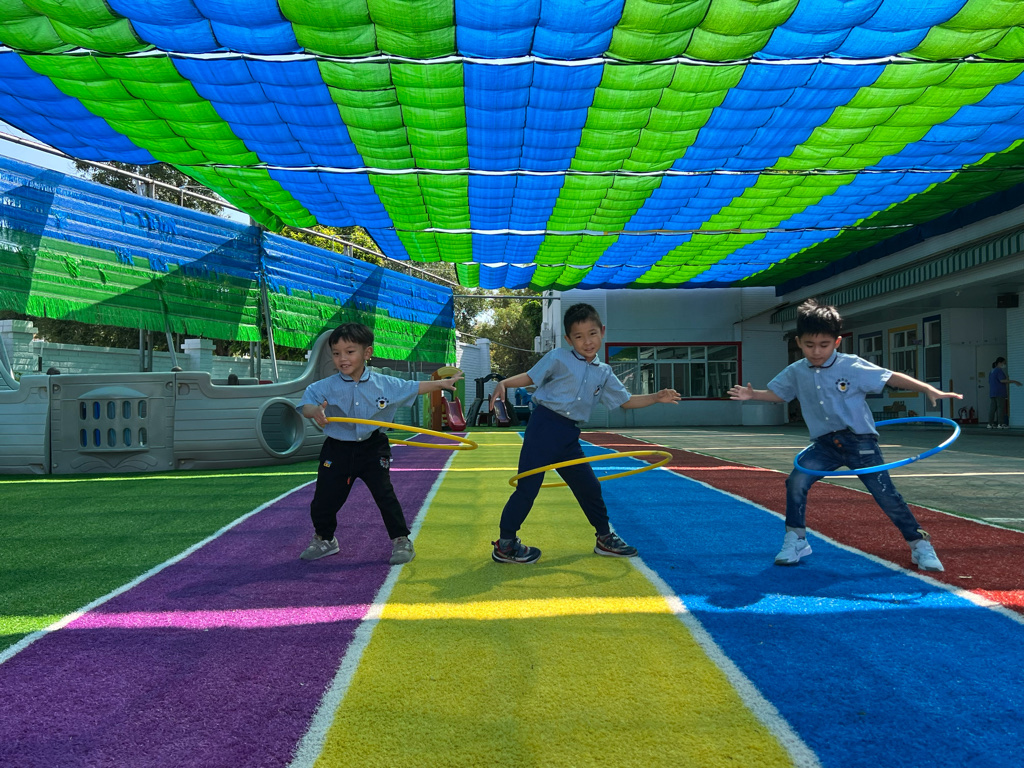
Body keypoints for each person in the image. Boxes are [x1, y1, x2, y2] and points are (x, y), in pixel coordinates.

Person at [728, 299, 962, 572]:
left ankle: (919, 543)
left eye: (824, 345)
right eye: (809, 345)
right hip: (824, 445)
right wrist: (753, 395)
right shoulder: (796, 371)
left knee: (885, 493)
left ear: (837, 342)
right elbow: (780, 394)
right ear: (798, 342)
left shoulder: (851, 366)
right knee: (796, 481)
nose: (816, 351)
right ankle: (796, 539)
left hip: (860, 443)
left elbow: (890, 377)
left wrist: (927, 389)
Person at [489, 302, 681, 564]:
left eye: (592, 333)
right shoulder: (558, 357)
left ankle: (604, 538)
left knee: (589, 486)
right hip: (543, 428)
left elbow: (625, 401)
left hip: (569, 436)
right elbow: (531, 377)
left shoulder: (604, 372)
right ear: (569, 339)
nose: (587, 341)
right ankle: (506, 544)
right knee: (528, 488)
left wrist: (656, 397)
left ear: (602, 331)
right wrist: (504, 382)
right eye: (578, 336)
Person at [296, 323, 462, 565]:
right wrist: (315, 411)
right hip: (337, 448)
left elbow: (413, 387)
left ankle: (401, 539)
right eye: (336, 353)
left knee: (385, 495)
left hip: (373, 447)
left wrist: (441, 384)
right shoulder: (324, 386)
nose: (342, 358)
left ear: (367, 353)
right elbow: (307, 405)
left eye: (349, 352)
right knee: (324, 499)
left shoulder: (386, 384)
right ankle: (325, 538)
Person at [987, 357, 1020, 429]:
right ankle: (1000, 424)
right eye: (1004, 363)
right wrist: (1014, 381)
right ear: (999, 363)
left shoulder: (992, 371)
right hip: (999, 392)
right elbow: (1002, 380)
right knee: (1000, 408)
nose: (1005, 364)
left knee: (992, 408)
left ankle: (990, 424)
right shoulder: (999, 370)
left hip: (993, 392)